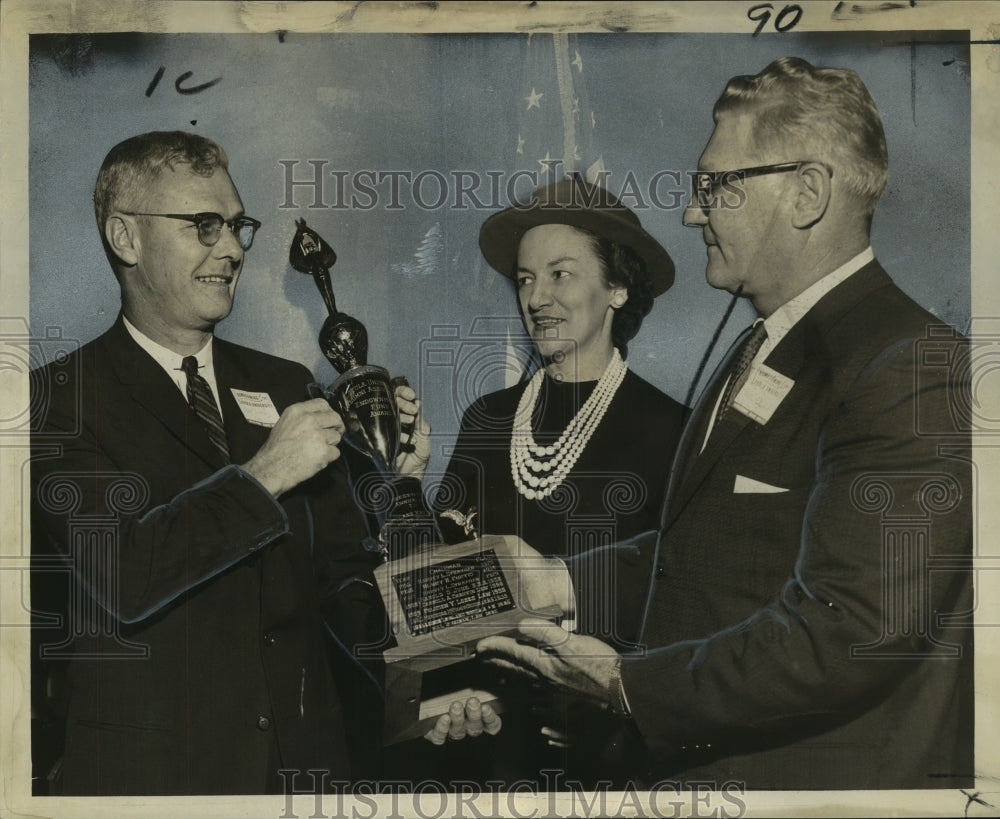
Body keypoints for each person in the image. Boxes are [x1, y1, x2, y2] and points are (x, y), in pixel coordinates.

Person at [477, 57, 974, 790]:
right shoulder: (769, 339)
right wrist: (559, 580)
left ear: (807, 193)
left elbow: (852, 631)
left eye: (716, 185)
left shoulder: (912, 366)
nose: (691, 211)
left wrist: (626, 683)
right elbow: (720, 547)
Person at [29, 131, 388, 795]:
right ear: (125, 238)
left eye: (235, 225)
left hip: (305, 779)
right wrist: (266, 473)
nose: (231, 249)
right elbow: (126, 571)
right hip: (154, 787)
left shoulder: (285, 384)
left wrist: (428, 684)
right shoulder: (53, 400)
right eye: (203, 225)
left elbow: (343, 579)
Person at [403, 177, 686, 786]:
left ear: (617, 286)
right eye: (526, 279)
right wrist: (408, 487)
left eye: (561, 274)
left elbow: (685, 593)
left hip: (615, 756)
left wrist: (611, 705)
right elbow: (441, 589)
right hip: (490, 748)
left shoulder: (674, 431)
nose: (535, 298)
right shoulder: (488, 419)